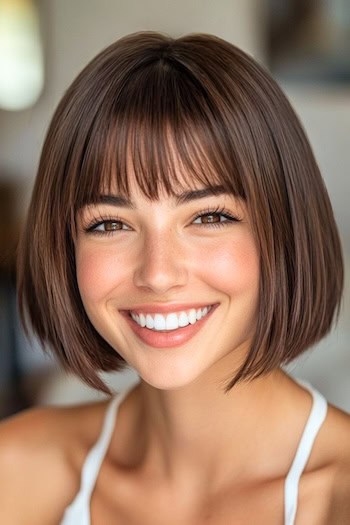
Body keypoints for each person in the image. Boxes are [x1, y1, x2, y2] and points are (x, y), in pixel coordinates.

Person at [0, 30, 349, 524]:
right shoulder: (15, 470)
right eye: (110, 224)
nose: (158, 274)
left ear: (285, 230)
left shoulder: (338, 495)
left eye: (209, 217)